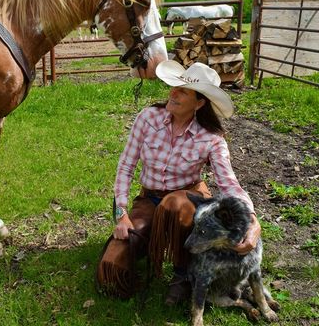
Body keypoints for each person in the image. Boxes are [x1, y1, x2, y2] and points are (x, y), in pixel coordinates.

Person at [96, 60, 261, 305]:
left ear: (199, 103)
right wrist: (121, 215)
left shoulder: (212, 139)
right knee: (111, 268)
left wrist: (252, 220)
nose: (172, 92)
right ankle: (150, 244)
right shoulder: (148, 118)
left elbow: (229, 183)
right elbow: (126, 167)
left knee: (174, 204)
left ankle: (182, 273)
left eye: (182, 90)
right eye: (174, 86)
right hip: (149, 199)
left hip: (187, 199)